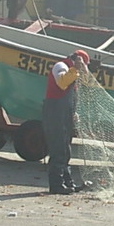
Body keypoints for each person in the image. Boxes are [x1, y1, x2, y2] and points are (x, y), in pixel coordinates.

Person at [43, 49, 88, 194]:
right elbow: (62, 83)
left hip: (65, 115)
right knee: (58, 149)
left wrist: (73, 113)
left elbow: (70, 96)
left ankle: (68, 182)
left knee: (66, 150)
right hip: (54, 113)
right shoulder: (61, 66)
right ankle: (56, 184)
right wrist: (75, 68)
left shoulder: (72, 73)